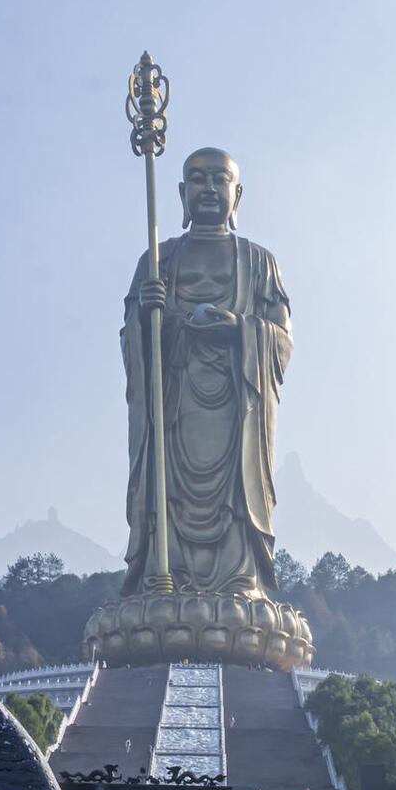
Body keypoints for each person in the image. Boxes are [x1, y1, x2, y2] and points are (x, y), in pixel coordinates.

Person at [121, 147, 292, 597]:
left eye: (220, 180)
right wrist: (147, 317)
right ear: (181, 193)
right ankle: (169, 575)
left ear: (238, 194)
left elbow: (282, 339)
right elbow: (132, 341)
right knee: (168, 491)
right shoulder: (158, 261)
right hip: (175, 405)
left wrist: (241, 328)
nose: (210, 189)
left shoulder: (260, 263)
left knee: (236, 492)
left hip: (237, 410)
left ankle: (240, 580)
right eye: (198, 179)